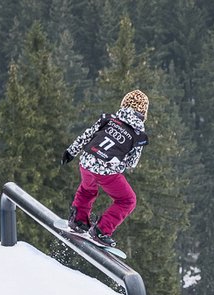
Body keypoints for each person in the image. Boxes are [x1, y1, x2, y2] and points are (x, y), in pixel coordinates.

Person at [61, 90, 150, 248]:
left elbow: (86, 135)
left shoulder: (108, 119)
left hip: (86, 162)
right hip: (106, 170)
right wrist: (118, 163)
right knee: (128, 200)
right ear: (143, 113)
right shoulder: (138, 135)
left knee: (88, 189)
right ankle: (102, 230)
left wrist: (70, 152)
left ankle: (79, 220)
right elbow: (132, 162)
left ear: (123, 105)